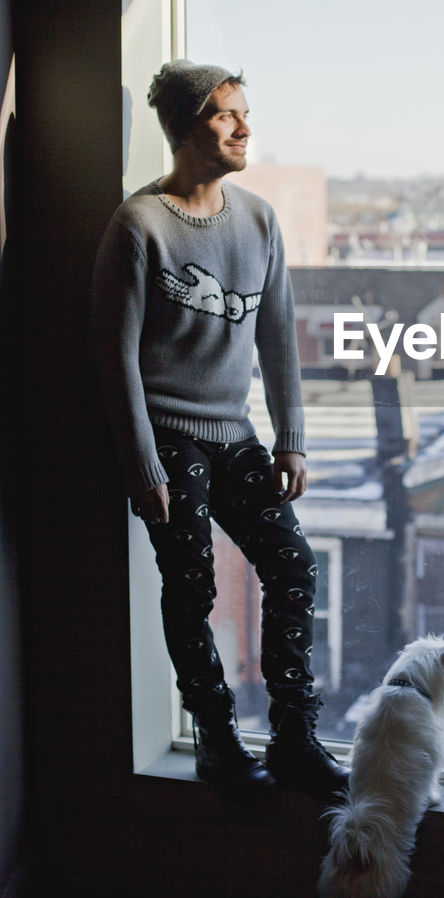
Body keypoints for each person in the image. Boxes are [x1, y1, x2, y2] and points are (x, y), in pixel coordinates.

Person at [91, 60, 347, 802]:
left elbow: (276, 340)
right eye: (227, 114)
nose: (244, 127)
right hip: (167, 439)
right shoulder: (139, 225)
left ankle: (295, 739)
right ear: (186, 125)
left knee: (293, 566)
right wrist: (143, 467)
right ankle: (217, 736)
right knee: (193, 583)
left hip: (233, 433)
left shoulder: (258, 219)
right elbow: (113, 361)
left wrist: (290, 437)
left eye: (245, 113)